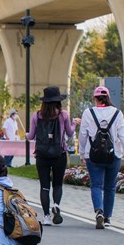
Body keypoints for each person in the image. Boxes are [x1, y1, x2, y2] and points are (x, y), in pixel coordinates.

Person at [78, 86, 124, 229]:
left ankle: (99, 211)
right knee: (110, 188)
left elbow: (83, 135)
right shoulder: (117, 113)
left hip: (94, 155)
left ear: (94, 98)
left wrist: (82, 153)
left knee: (96, 185)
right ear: (108, 97)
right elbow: (123, 136)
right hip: (113, 156)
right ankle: (108, 218)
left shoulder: (88, 113)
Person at [25, 87, 78, 226]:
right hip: (59, 154)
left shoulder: (36, 115)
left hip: (41, 155)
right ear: (58, 101)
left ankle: (47, 216)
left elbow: (31, 136)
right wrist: (74, 123)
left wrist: (25, 134)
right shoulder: (63, 115)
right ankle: (56, 205)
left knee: (44, 186)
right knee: (57, 184)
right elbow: (70, 133)